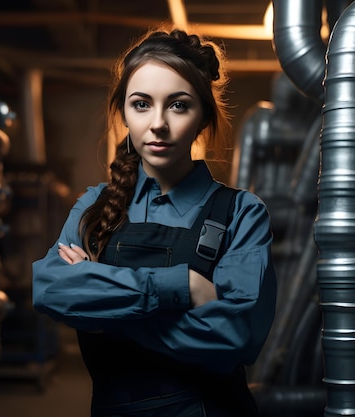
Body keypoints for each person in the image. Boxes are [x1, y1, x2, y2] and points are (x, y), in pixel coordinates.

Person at [32, 27, 277, 417]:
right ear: (125, 113)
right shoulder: (95, 206)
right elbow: (49, 289)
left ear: (202, 117)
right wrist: (182, 286)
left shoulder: (241, 213)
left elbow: (235, 336)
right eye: (141, 104)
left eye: (178, 105)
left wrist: (108, 312)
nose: (158, 123)